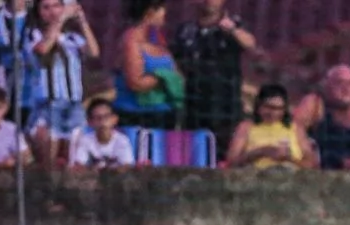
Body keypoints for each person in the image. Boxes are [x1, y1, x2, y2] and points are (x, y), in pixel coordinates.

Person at [172, 0, 257, 150]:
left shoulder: (233, 24)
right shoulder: (186, 30)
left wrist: (232, 30)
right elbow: (174, 62)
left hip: (226, 106)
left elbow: (250, 45)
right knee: (195, 153)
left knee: (224, 152)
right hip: (194, 106)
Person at [25, 0, 100, 167]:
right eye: (46, 7)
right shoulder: (32, 34)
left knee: (71, 160)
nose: (52, 11)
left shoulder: (72, 38)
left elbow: (93, 52)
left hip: (73, 103)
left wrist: (82, 21)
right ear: (38, 11)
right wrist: (61, 20)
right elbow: (43, 49)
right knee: (48, 162)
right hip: (47, 103)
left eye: (57, 6)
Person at [113, 0, 183, 130]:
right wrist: (166, 78)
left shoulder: (156, 37)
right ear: (150, 12)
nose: (165, 13)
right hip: (136, 117)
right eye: (161, 9)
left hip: (163, 114)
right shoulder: (131, 39)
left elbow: (175, 70)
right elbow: (135, 82)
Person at [294, 65, 350, 171]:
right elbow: (295, 130)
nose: (346, 89)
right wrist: (308, 156)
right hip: (320, 174)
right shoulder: (315, 105)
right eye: (339, 83)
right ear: (327, 86)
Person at [226, 83, 318, 170]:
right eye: (269, 107)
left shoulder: (296, 128)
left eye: (279, 109)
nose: (273, 113)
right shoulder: (246, 127)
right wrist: (261, 152)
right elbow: (232, 163)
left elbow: (311, 164)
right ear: (259, 106)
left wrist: (289, 158)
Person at [69, 99, 136, 169]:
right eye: (98, 118)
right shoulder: (85, 141)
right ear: (90, 122)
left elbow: (127, 166)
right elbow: (79, 165)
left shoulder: (122, 140)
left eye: (106, 116)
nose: (102, 121)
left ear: (114, 119)